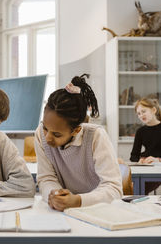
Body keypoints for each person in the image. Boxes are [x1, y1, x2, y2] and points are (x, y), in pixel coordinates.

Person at [35, 74, 122, 211]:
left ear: (76, 130)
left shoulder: (96, 136)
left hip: (97, 210)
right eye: (45, 128)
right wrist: (55, 195)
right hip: (64, 211)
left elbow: (114, 189)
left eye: (57, 134)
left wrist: (78, 201)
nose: (48, 138)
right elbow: (46, 178)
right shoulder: (40, 134)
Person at [130, 97, 161, 194]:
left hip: (160, 169)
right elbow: (133, 156)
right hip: (144, 168)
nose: (141, 115)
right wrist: (140, 159)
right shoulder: (140, 132)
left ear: (153, 110)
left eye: (143, 111)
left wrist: (158, 160)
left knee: (136, 190)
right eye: (138, 113)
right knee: (128, 186)